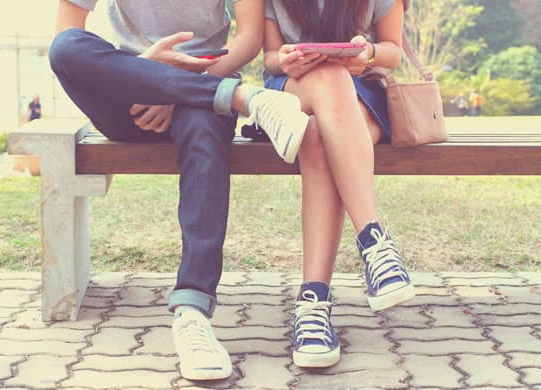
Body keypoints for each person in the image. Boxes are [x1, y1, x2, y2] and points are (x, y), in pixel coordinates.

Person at [51, 0, 310, 381]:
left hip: (206, 83)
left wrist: (183, 89)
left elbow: (250, 36)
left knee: (204, 127)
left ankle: (192, 314)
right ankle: (244, 98)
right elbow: (66, 31)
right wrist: (146, 71)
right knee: (66, 47)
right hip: (130, 93)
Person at [263, 0, 415, 368]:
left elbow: (392, 51)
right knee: (328, 83)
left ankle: (313, 303)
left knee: (317, 135)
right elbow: (267, 56)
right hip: (292, 89)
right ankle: (375, 244)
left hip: (361, 93)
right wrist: (283, 60)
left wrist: (369, 52)